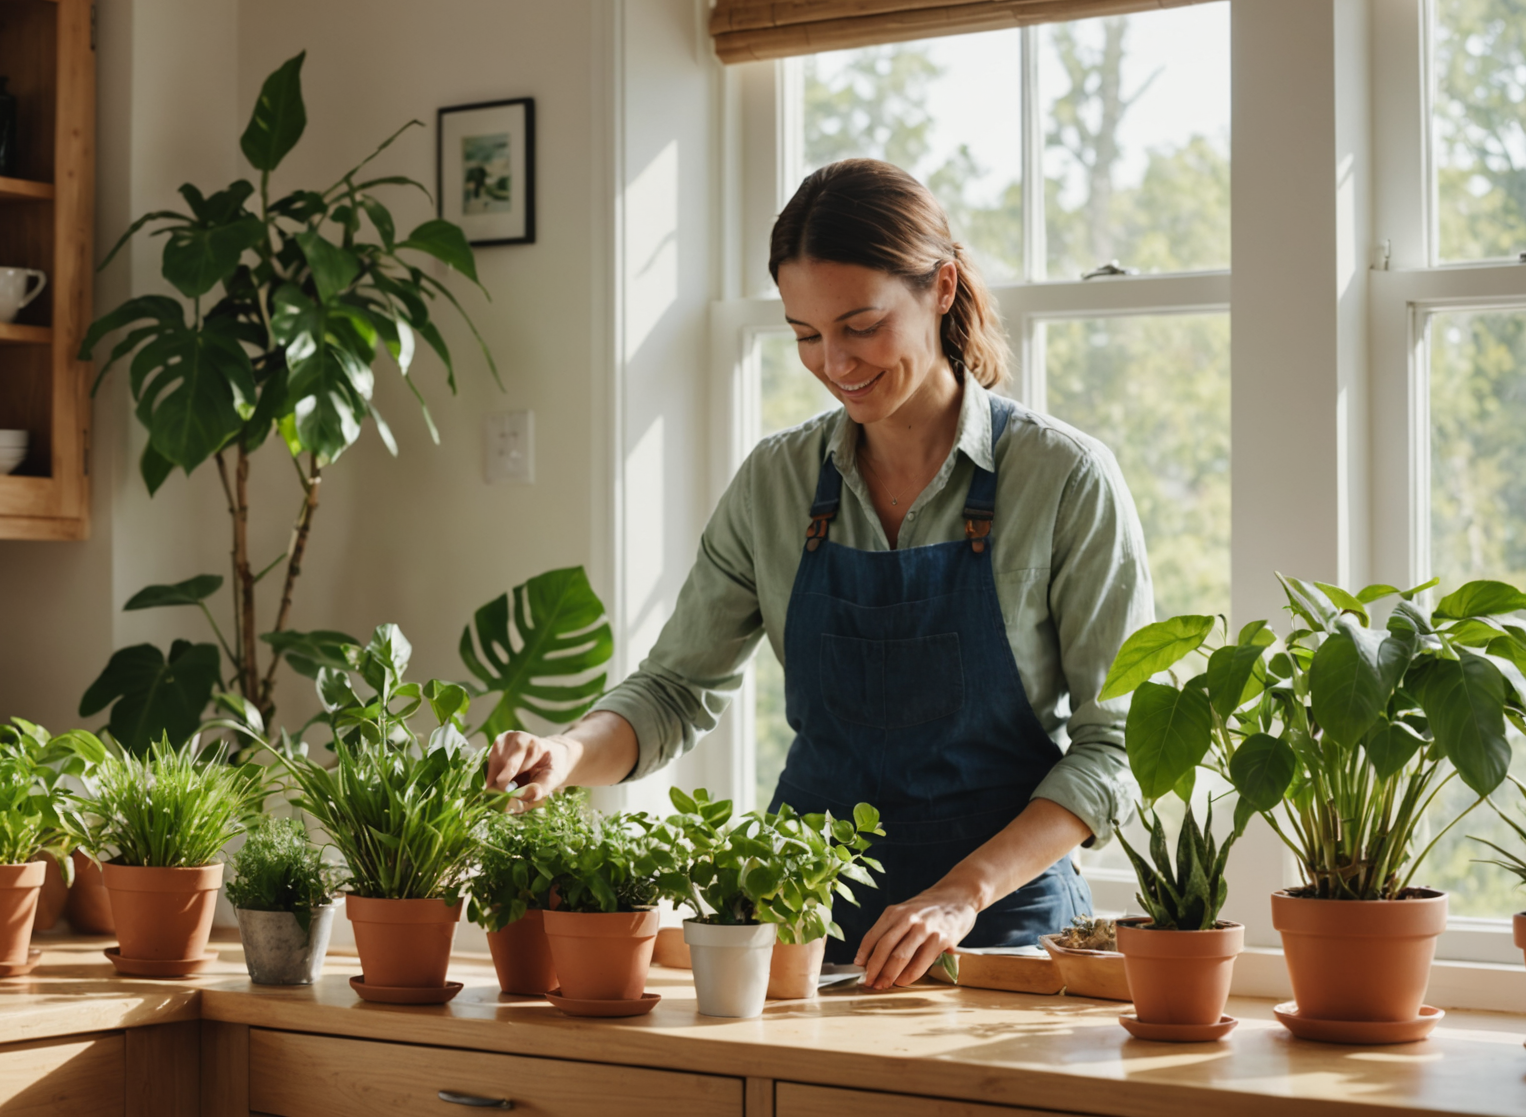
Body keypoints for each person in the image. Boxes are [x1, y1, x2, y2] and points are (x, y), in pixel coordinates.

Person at [485, 159, 1149, 991]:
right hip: (802, 924)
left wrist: (960, 894)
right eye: (804, 334)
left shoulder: (1064, 478)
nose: (834, 362)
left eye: (860, 325)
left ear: (942, 288)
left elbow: (1115, 746)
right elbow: (675, 691)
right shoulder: (777, 481)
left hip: (1003, 934)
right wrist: (564, 751)